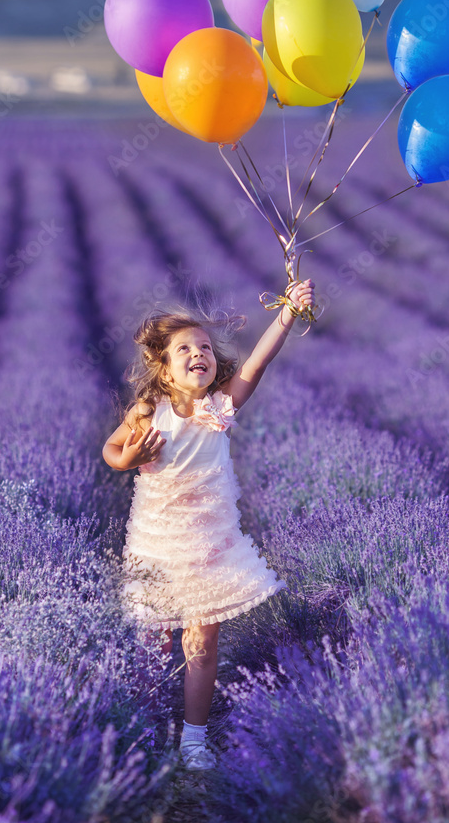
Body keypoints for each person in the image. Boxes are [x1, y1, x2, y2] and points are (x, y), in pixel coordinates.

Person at [102, 279, 315, 771]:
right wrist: (130, 455)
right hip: (156, 546)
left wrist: (285, 313)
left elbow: (257, 363)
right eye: (185, 349)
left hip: (209, 547)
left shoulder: (219, 408)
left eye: (205, 348)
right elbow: (111, 452)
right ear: (165, 368)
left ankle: (193, 739)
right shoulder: (146, 411)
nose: (199, 354)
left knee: (201, 644)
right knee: (154, 642)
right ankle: (151, 725)